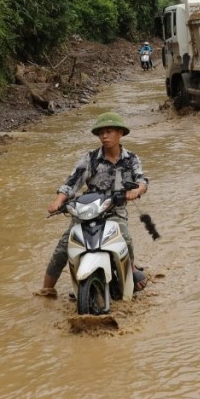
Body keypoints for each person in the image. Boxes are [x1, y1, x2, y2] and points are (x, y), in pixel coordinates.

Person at [36, 111, 149, 298]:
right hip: (87, 211)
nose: (104, 136)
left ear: (120, 133)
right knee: (63, 247)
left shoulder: (131, 159)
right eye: (101, 133)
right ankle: (46, 290)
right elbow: (72, 183)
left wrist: (137, 191)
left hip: (115, 211)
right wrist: (58, 201)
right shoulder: (90, 159)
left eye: (109, 131)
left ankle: (130, 268)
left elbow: (141, 181)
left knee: (125, 239)